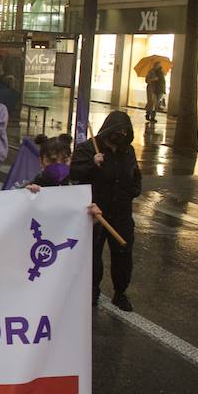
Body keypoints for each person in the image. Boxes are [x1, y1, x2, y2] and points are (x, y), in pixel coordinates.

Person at [71, 110, 141, 310]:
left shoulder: (128, 151)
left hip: (121, 212)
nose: (120, 136)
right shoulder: (87, 149)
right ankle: (92, 290)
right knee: (92, 253)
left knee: (123, 254)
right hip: (95, 212)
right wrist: (93, 164)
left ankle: (120, 293)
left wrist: (133, 191)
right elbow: (74, 173)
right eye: (117, 131)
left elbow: (135, 174)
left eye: (124, 132)